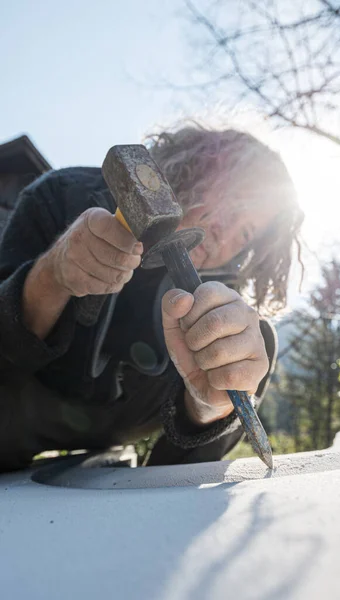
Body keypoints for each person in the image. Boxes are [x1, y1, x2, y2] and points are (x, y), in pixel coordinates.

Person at [0, 125, 303, 471]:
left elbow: (188, 449)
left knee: (249, 343)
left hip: (127, 422)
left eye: (245, 232)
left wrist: (211, 406)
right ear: (197, 166)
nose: (225, 232)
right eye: (233, 203)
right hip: (21, 402)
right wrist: (52, 275)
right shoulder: (62, 196)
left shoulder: (224, 290)